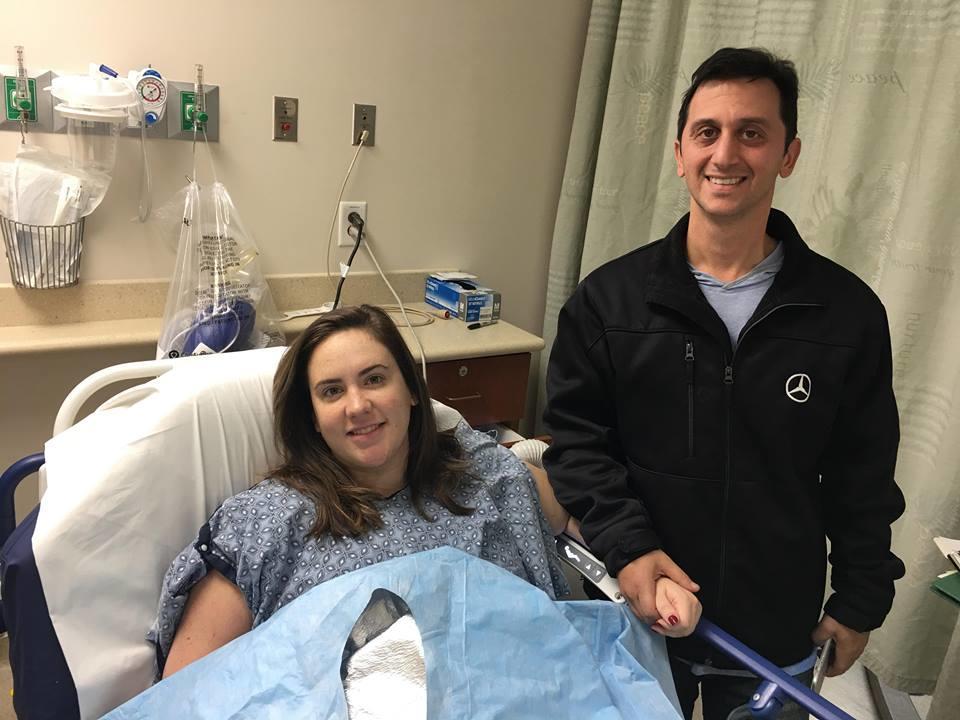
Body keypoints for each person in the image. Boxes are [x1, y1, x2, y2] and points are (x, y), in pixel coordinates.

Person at [542, 47, 905, 720]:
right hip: (643, 608)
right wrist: (631, 549)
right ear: (680, 152)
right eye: (706, 132)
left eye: (752, 133)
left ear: (787, 155)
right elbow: (577, 447)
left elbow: (864, 475)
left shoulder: (847, 316)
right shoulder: (609, 305)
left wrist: (859, 601)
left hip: (775, 625)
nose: (725, 153)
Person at [151, 304, 701, 679]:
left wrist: (645, 571)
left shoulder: (487, 476)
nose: (358, 405)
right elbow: (188, 691)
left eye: (374, 379)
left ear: (412, 393)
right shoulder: (265, 523)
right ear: (312, 418)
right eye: (331, 391)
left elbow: (585, 523)